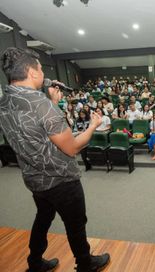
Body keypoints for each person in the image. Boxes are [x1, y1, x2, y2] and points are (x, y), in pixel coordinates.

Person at [0, 47, 109, 272]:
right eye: (40, 68)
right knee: (76, 224)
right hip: (61, 180)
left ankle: (35, 262)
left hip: (34, 179)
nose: (43, 72)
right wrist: (92, 126)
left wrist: (51, 103)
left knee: (43, 219)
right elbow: (71, 148)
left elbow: (34, 132)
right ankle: (85, 264)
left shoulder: (5, 101)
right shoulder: (42, 106)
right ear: (32, 73)